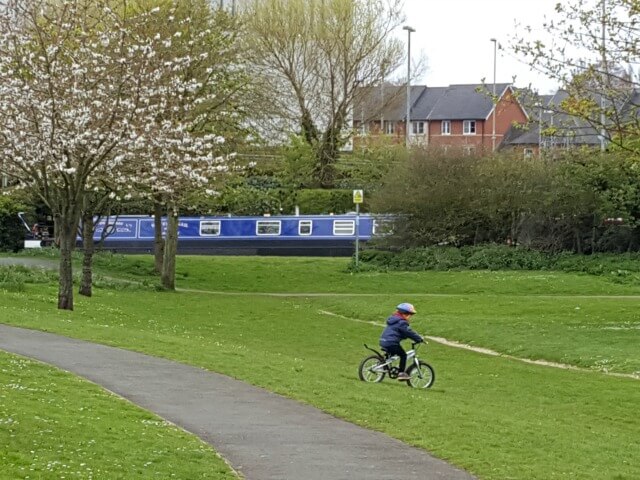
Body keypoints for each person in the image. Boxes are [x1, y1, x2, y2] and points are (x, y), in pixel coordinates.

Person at [379, 302, 423, 381]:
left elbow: (399, 332)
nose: (409, 317)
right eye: (409, 314)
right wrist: (418, 339)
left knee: (392, 355)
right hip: (391, 342)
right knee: (403, 355)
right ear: (405, 314)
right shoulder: (402, 322)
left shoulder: (394, 320)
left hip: (383, 341)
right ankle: (401, 373)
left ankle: (386, 365)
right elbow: (408, 332)